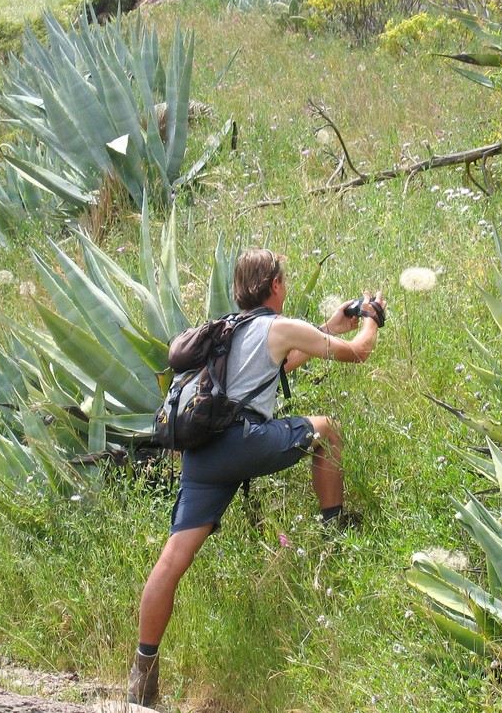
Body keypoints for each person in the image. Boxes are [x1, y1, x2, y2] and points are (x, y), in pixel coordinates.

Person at [128, 248, 386, 707]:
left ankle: (142, 679)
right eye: (284, 279)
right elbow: (359, 353)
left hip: (202, 456)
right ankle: (333, 532)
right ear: (275, 285)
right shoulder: (278, 325)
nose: (286, 285)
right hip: (241, 443)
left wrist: (327, 328)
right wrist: (371, 317)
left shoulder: (229, 328)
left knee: (171, 562)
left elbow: (275, 368)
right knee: (326, 429)